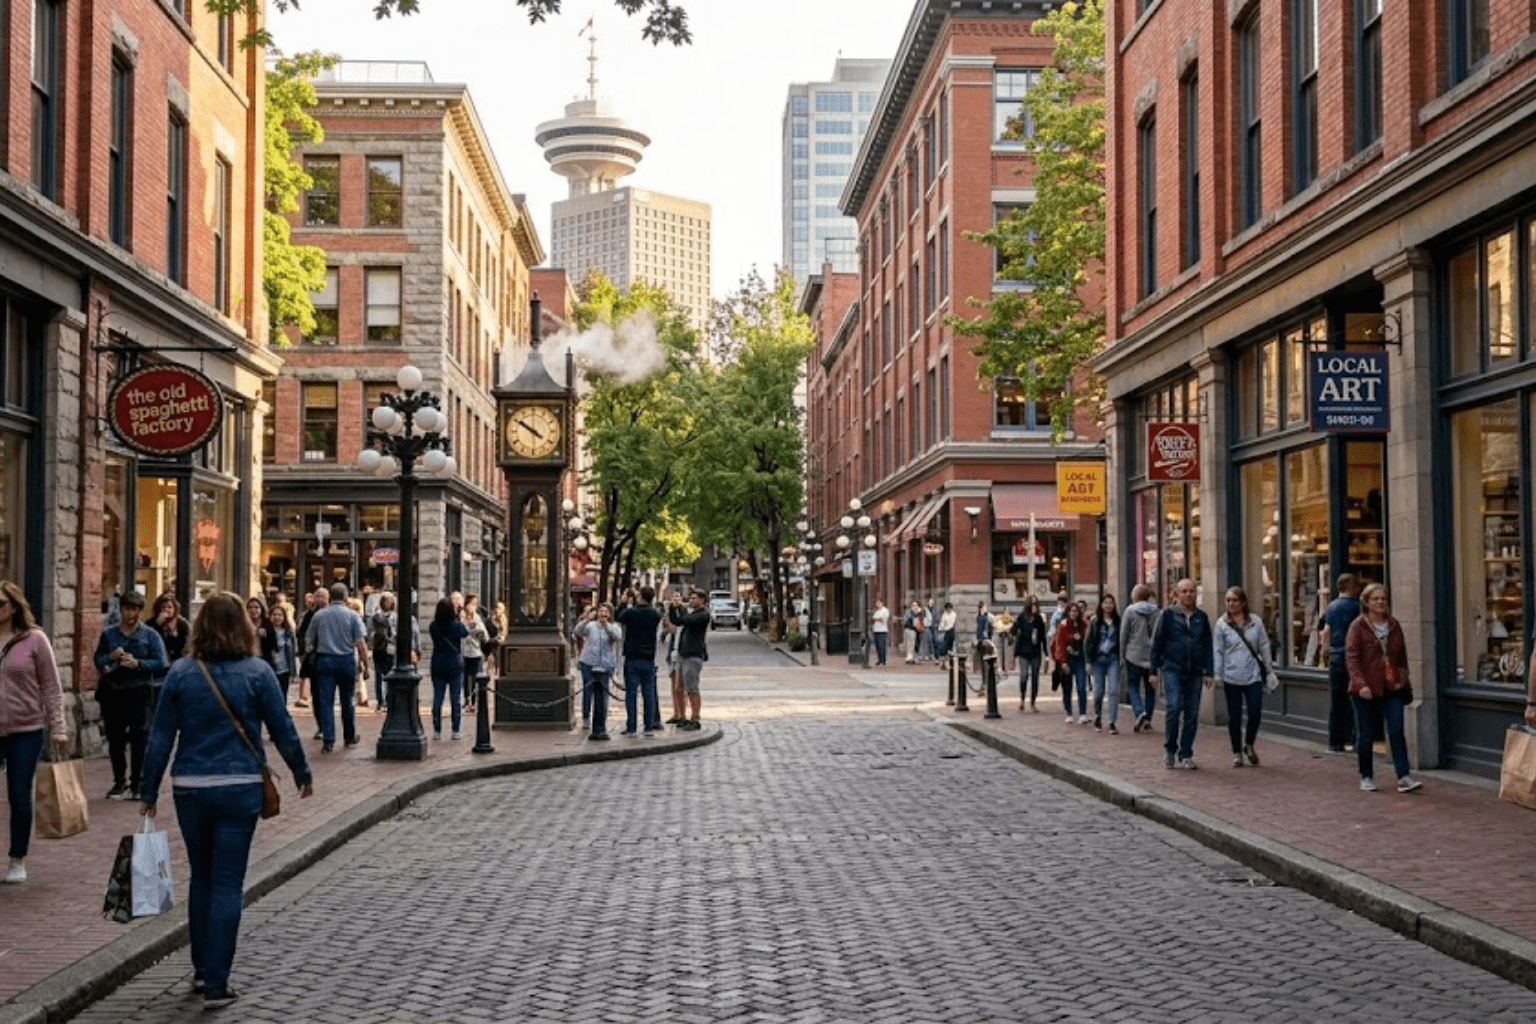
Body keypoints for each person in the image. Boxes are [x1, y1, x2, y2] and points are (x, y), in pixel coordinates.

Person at [138, 591, 313, 1010]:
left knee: (201, 875)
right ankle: (217, 981)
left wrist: (148, 789)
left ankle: (201, 969)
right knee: (227, 882)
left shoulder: (181, 672)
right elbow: (282, 727)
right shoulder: (258, 671)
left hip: (190, 786)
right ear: (244, 627)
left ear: (199, 627)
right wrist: (300, 771)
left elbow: (160, 736)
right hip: (240, 785)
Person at [0, 582, 68, 885]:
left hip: (25, 730)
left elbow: (51, 687)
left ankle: (18, 858)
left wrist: (59, 728)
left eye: (0, 603)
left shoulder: (35, 640)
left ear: (14, 606)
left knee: (19, 794)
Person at [1345, 584, 1422, 793]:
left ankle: (1404, 776)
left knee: (1396, 730)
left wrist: (1402, 678)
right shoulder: (1357, 626)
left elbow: (1402, 657)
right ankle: (1366, 776)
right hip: (1366, 689)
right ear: (1366, 602)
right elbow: (1352, 659)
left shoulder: (1394, 625)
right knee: (1366, 734)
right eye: (1375, 599)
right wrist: (1360, 684)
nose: (1380, 602)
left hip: (1392, 687)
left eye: (1383, 598)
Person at [92, 590, 168, 800]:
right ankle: (119, 782)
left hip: (139, 690)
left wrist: (138, 664)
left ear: (140, 611)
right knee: (115, 738)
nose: (130, 614)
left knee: (140, 737)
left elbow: (160, 661)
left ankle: (137, 783)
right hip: (113, 692)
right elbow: (98, 660)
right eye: (127, 609)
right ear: (121, 610)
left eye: (134, 610)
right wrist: (111, 656)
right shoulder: (109, 634)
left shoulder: (150, 635)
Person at [1150, 578, 1213, 770]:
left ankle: (1186, 753)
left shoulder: (1201, 617)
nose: (1188, 594)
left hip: (1195, 671)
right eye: (1184, 591)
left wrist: (1209, 671)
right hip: (1172, 669)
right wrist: (1153, 671)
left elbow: (1207, 645)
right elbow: (1157, 643)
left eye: (1191, 591)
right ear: (1177, 594)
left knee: (1192, 714)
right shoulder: (1167, 615)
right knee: (1174, 708)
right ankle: (1170, 750)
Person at [1213, 586, 1270, 768]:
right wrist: (1217, 673)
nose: (1231, 604)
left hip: (1253, 675)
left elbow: (1264, 645)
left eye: (1235, 600)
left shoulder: (1255, 621)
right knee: (1234, 717)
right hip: (1231, 676)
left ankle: (1249, 744)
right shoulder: (1222, 624)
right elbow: (1218, 650)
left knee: (1255, 712)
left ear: (1243, 602)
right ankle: (1236, 752)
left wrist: (1268, 668)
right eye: (1228, 600)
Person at [307, 583, 369, 752]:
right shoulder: (353, 616)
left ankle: (328, 739)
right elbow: (361, 643)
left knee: (326, 702)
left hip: (324, 659)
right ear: (345, 596)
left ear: (330, 596)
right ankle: (349, 736)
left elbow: (309, 639)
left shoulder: (319, 615)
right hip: (346, 659)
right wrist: (366, 665)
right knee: (347, 701)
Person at [1318, 574, 1362, 753]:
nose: (1358, 588)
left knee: (1337, 702)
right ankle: (1357, 739)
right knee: (1357, 701)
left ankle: (1335, 742)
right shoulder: (1356, 607)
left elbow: (1325, 632)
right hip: (1353, 657)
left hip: (1335, 656)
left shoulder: (1331, 606)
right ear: (1349, 586)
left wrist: (1324, 653)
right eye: (1356, 584)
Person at [617, 587, 664, 736]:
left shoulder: (631, 612)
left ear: (640, 597)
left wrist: (624, 602)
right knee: (648, 694)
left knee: (631, 694)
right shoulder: (655, 614)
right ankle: (648, 727)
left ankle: (631, 727)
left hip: (632, 656)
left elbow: (619, 616)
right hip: (648, 657)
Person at [573, 603, 621, 740]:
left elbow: (617, 636)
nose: (603, 614)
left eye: (606, 612)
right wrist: (586, 619)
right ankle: (586, 717)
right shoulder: (591, 626)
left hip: (605, 666)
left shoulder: (614, 627)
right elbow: (577, 631)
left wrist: (607, 627)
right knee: (588, 691)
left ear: (609, 615)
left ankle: (601, 726)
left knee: (602, 697)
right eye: (601, 611)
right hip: (589, 663)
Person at [668, 589, 710, 731]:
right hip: (683, 654)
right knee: (679, 687)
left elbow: (684, 620)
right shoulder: (693, 613)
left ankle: (695, 718)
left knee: (692, 688)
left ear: (702, 600)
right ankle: (682, 716)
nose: (691, 600)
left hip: (693, 655)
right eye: (690, 598)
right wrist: (673, 608)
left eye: (694, 598)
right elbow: (676, 621)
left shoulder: (703, 615)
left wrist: (679, 607)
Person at [1121, 585, 1160, 733]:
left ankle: (1139, 711)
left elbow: (1124, 634)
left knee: (1132, 685)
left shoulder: (1130, 611)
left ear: (1135, 596)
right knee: (1150, 688)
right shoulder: (1156, 611)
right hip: (1152, 655)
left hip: (1133, 654)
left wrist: (1122, 654)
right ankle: (1148, 718)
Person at [428, 598, 469, 741]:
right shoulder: (456, 625)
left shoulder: (434, 626)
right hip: (453, 661)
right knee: (455, 698)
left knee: (438, 697)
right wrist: (457, 617)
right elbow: (465, 632)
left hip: (438, 661)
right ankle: (455, 730)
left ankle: (437, 730)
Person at [1085, 594, 1122, 733]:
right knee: (1098, 692)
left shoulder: (1118, 621)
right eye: (1106, 603)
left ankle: (1112, 722)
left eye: (1111, 603)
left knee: (1113, 691)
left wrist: (1122, 656)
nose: (1108, 606)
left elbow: (1122, 639)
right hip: (1098, 659)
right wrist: (1088, 661)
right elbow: (1088, 642)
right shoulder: (1095, 621)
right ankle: (1097, 716)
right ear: (1101, 605)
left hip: (1113, 658)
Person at [1050, 602, 1088, 724]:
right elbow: (1059, 644)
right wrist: (1062, 662)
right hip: (1068, 659)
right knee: (1067, 687)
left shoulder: (1083, 625)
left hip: (1080, 659)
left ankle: (1082, 713)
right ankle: (1068, 711)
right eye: (1071, 611)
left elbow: (1087, 641)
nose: (1074, 613)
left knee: (1081, 686)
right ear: (1068, 612)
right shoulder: (1063, 626)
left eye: (1076, 611)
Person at [1011, 597, 1047, 712]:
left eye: (1036, 605)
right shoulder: (1021, 618)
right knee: (1024, 675)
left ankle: (1033, 702)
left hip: (1035, 652)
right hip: (1023, 651)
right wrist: (1013, 626)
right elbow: (1013, 631)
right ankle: (1022, 699)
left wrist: (1046, 653)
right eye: (1032, 605)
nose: (1034, 607)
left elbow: (1043, 637)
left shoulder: (1039, 619)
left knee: (1035, 677)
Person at [459, 595, 491, 714]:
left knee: (475, 678)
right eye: (471, 603)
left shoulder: (477, 619)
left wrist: (478, 631)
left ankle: (473, 701)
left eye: (475, 604)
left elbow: (485, 637)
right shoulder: (461, 618)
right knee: (465, 678)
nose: (473, 606)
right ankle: (466, 700)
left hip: (475, 652)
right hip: (463, 652)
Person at [266, 604, 298, 702]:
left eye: (279, 615)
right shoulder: (265, 632)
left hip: (284, 669)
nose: (277, 617)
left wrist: (293, 672)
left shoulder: (288, 633)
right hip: (269, 669)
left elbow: (292, 652)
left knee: (282, 696)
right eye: (274, 615)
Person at [870, 598, 890, 666]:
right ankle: (879, 659)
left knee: (882, 645)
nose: (877, 605)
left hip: (882, 630)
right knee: (877, 645)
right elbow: (873, 618)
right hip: (876, 630)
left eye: (878, 603)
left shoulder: (885, 610)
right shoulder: (877, 611)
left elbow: (882, 619)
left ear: (882, 603)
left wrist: (876, 618)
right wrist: (876, 618)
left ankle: (883, 660)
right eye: (876, 603)